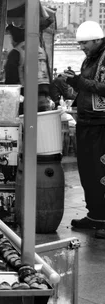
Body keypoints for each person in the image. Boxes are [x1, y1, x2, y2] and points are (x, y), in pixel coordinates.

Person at [62, 21, 105, 235]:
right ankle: (95, 215)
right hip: (87, 121)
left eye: (84, 43)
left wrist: (79, 82)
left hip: (101, 124)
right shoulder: (92, 57)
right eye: (79, 44)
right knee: (87, 171)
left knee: (101, 170)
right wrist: (71, 83)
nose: (82, 47)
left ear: (97, 40)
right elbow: (88, 86)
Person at [4, 24, 52, 112]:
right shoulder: (41, 50)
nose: (10, 41)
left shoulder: (16, 52)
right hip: (44, 97)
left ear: (15, 37)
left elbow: (10, 81)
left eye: (10, 37)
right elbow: (48, 73)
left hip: (25, 98)